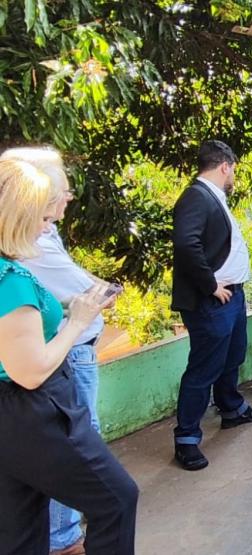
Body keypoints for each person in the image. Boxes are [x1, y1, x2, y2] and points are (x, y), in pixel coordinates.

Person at [0, 159, 138, 554]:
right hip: (33, 408)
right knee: (116, 498)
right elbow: (30, 371)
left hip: (12, 419)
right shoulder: (11, 279)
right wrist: (78, 320)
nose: (47, 228)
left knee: (19, 526)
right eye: (43, 217)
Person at [171, 140, 252, 471]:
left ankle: (231, 409)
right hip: (211, 299)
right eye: (234, 170)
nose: (234, 176)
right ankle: (186, 438)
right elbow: (187, 244)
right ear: (225, 165)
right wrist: (211, 284)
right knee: (204, 368)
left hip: (231, 295)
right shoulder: (196, 197)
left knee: (232, 356)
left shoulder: (214, 197)